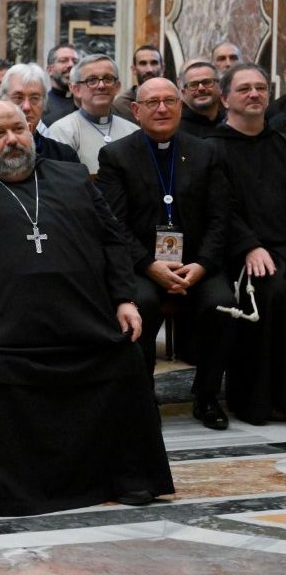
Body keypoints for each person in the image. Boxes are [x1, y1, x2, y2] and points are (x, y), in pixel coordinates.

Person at [0, 101, 174, 515]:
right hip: (1, 333)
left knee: (124, 357)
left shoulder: (72, 177)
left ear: (32, 132)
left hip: (81, 325)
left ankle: (126, 477)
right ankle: (11, 491)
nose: (12, 140)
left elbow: (113, 240)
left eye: (18, 129)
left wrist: (124, 298)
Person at [96, 77, 234, 430]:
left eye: (170, 101)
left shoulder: (206, 152)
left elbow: (221, 218)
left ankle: (206, 396)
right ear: (137, 110)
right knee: (139, 305)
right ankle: (143, 399)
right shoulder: (116, 155)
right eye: (153, 102)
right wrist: (150, 265)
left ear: (180, 106)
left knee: (221, 303)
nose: (162, 108)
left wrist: (202, 265)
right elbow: (114, 224)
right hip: (141, 265)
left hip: (197, 263)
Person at [207, 63, 286, 424]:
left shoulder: (281, 144)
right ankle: (255, 400)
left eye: (260, 88)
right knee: (273, 291)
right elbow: (219, 210)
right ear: (225, 98)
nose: (254, 94)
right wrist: (249, 246)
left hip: (281, 246)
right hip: (241, 251)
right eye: (244, 89)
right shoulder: (211, 150)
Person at [45, 54, 140, 174]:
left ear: (117, 87)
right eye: (92, 80)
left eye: (108, 79)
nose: (101, 86)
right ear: (76, 89)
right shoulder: (62, 131)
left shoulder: (133, 131)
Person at [111, 45, 164, 121]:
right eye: (143, 63)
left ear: (162, 68)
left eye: (154, 63)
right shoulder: (121, 106)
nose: (149, 69)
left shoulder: (173, 101)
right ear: (134, 69)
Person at [178, 60, 224, 139]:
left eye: (207, 82)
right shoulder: (175, 130)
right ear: (184, 93)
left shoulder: (232, 125)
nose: (201, 88)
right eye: (193, 85)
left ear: (220, 87)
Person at [43, 44, 79, 125]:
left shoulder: (88, 104)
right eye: (63, 60)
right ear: (49, 70)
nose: (71, 65)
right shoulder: (41, 106)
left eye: (75, 61)